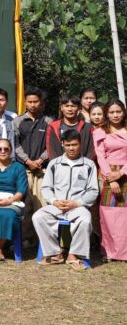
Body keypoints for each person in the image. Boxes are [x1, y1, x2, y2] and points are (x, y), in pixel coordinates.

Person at [33, 130, 98, 269]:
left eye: (74, 144)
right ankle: (55, 253)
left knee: (85, 220)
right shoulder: (54, 164)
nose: (71, 148)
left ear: (80, 144)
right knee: (38, 216)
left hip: (78, 207)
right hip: (57, 206)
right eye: (68, 145)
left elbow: (93, 191)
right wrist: (54, 201)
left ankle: (73, 254)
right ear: (62, 144)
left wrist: (77, 203)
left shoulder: (89, 165)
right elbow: (46, 187)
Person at [13, 87, 52, 242]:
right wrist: (28, 161)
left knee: (42, 205)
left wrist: (40, 160)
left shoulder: (48, 121)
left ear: (41, 103)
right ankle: (25, 239)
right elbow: (15, 144)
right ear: (25, 102)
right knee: (25, 204)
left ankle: (42, 240)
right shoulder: (18, 121)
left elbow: (51, 145)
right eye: (30, 102)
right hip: (24, 169)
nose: (33, 105)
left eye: (36, 101)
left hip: (42, 170)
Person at [92, 100, 127, 257]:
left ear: (123, 112)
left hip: (125, 173)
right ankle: (110, 251)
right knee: (109, 213)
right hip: (108, 175)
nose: (115, 115)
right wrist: (111, 179)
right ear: (107, 114)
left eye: (118, 111)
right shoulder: (100, 131)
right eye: (112, 112)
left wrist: (122, 173)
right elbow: (101, 156)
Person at [45, 94, 95, 161]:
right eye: (66, 106)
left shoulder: (87, 128)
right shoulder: (53, 127)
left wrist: (85, 164)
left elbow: (91, 150)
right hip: (59, 165)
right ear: (61, 108)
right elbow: (51, 150)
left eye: (73, 106)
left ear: (79, 108)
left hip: (83, 165)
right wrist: (58, 165)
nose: (70, 109)